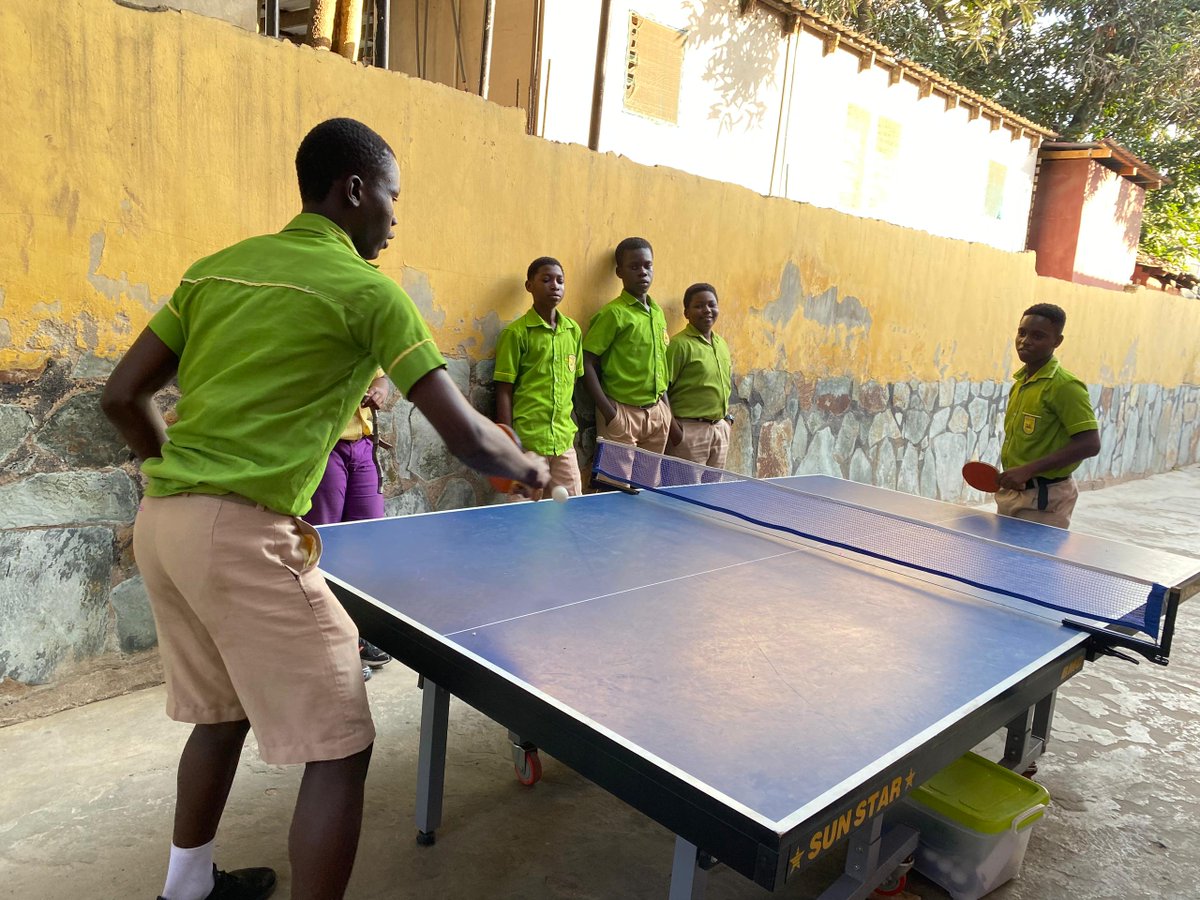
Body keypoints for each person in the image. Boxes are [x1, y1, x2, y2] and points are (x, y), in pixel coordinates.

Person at [100, 118, 548, 900]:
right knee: (340, 742)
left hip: (163, 526)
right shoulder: (369, 293)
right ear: (353, 190)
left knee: (221, 713)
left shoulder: (216, 270)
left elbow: (120, 394)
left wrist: (175, 470)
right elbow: (468, 440)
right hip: (239, 531)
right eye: (390, 198)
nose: (394, 218)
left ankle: (186, 888)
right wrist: (531, 466)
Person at [304, 369, 393, 674]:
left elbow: (380, 377)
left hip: (363, 445)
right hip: (324, 444)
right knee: (324, 546)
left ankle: (357, 633)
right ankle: (335, 645)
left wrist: (380, 390)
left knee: (367, 542)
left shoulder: (359, 325)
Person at [995, 302, 1100, 528]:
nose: (1025, 341)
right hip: (1014, 493)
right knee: (1002, 561)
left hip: (1046, 500)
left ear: (1057, 341)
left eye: (1038, 336)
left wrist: (1027, 470)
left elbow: (1090, 444)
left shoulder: (1065, 386)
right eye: (1022, 332)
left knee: (1030, 563)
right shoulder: (1021, 382)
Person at [494, 257, 584, 498]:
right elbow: (504, 389)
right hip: (529, 444)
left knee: (572, 507)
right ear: (529, 286)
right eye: (546, 280)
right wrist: (511, 444)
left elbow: (572, 384)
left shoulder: (573, 331)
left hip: (564, 442)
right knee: (525, 516)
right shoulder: (516, 334)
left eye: (560, 281)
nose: (554, 285)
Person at [582, 237, 671, 457]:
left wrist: (666, 411)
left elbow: (660, 365)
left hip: (656, 413)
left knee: (646, 486)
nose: (643, 272)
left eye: (647, 265)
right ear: (619, 272)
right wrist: (610, 413)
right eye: (634, 267)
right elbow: (586, 362)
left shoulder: (657, 313)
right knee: (616, 486)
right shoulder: (613, 314)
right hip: (622, 412)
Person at [665, 283, 734, 471]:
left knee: (711, 492)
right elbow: (662, 390)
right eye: (699, 306)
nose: (707, 310)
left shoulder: (721, 344)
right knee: (683, 495)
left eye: (712, 304)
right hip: (689, 433)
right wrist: (675, 431)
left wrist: (726, 421)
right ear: (686, 313)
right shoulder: (679, 345)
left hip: (719, 431)